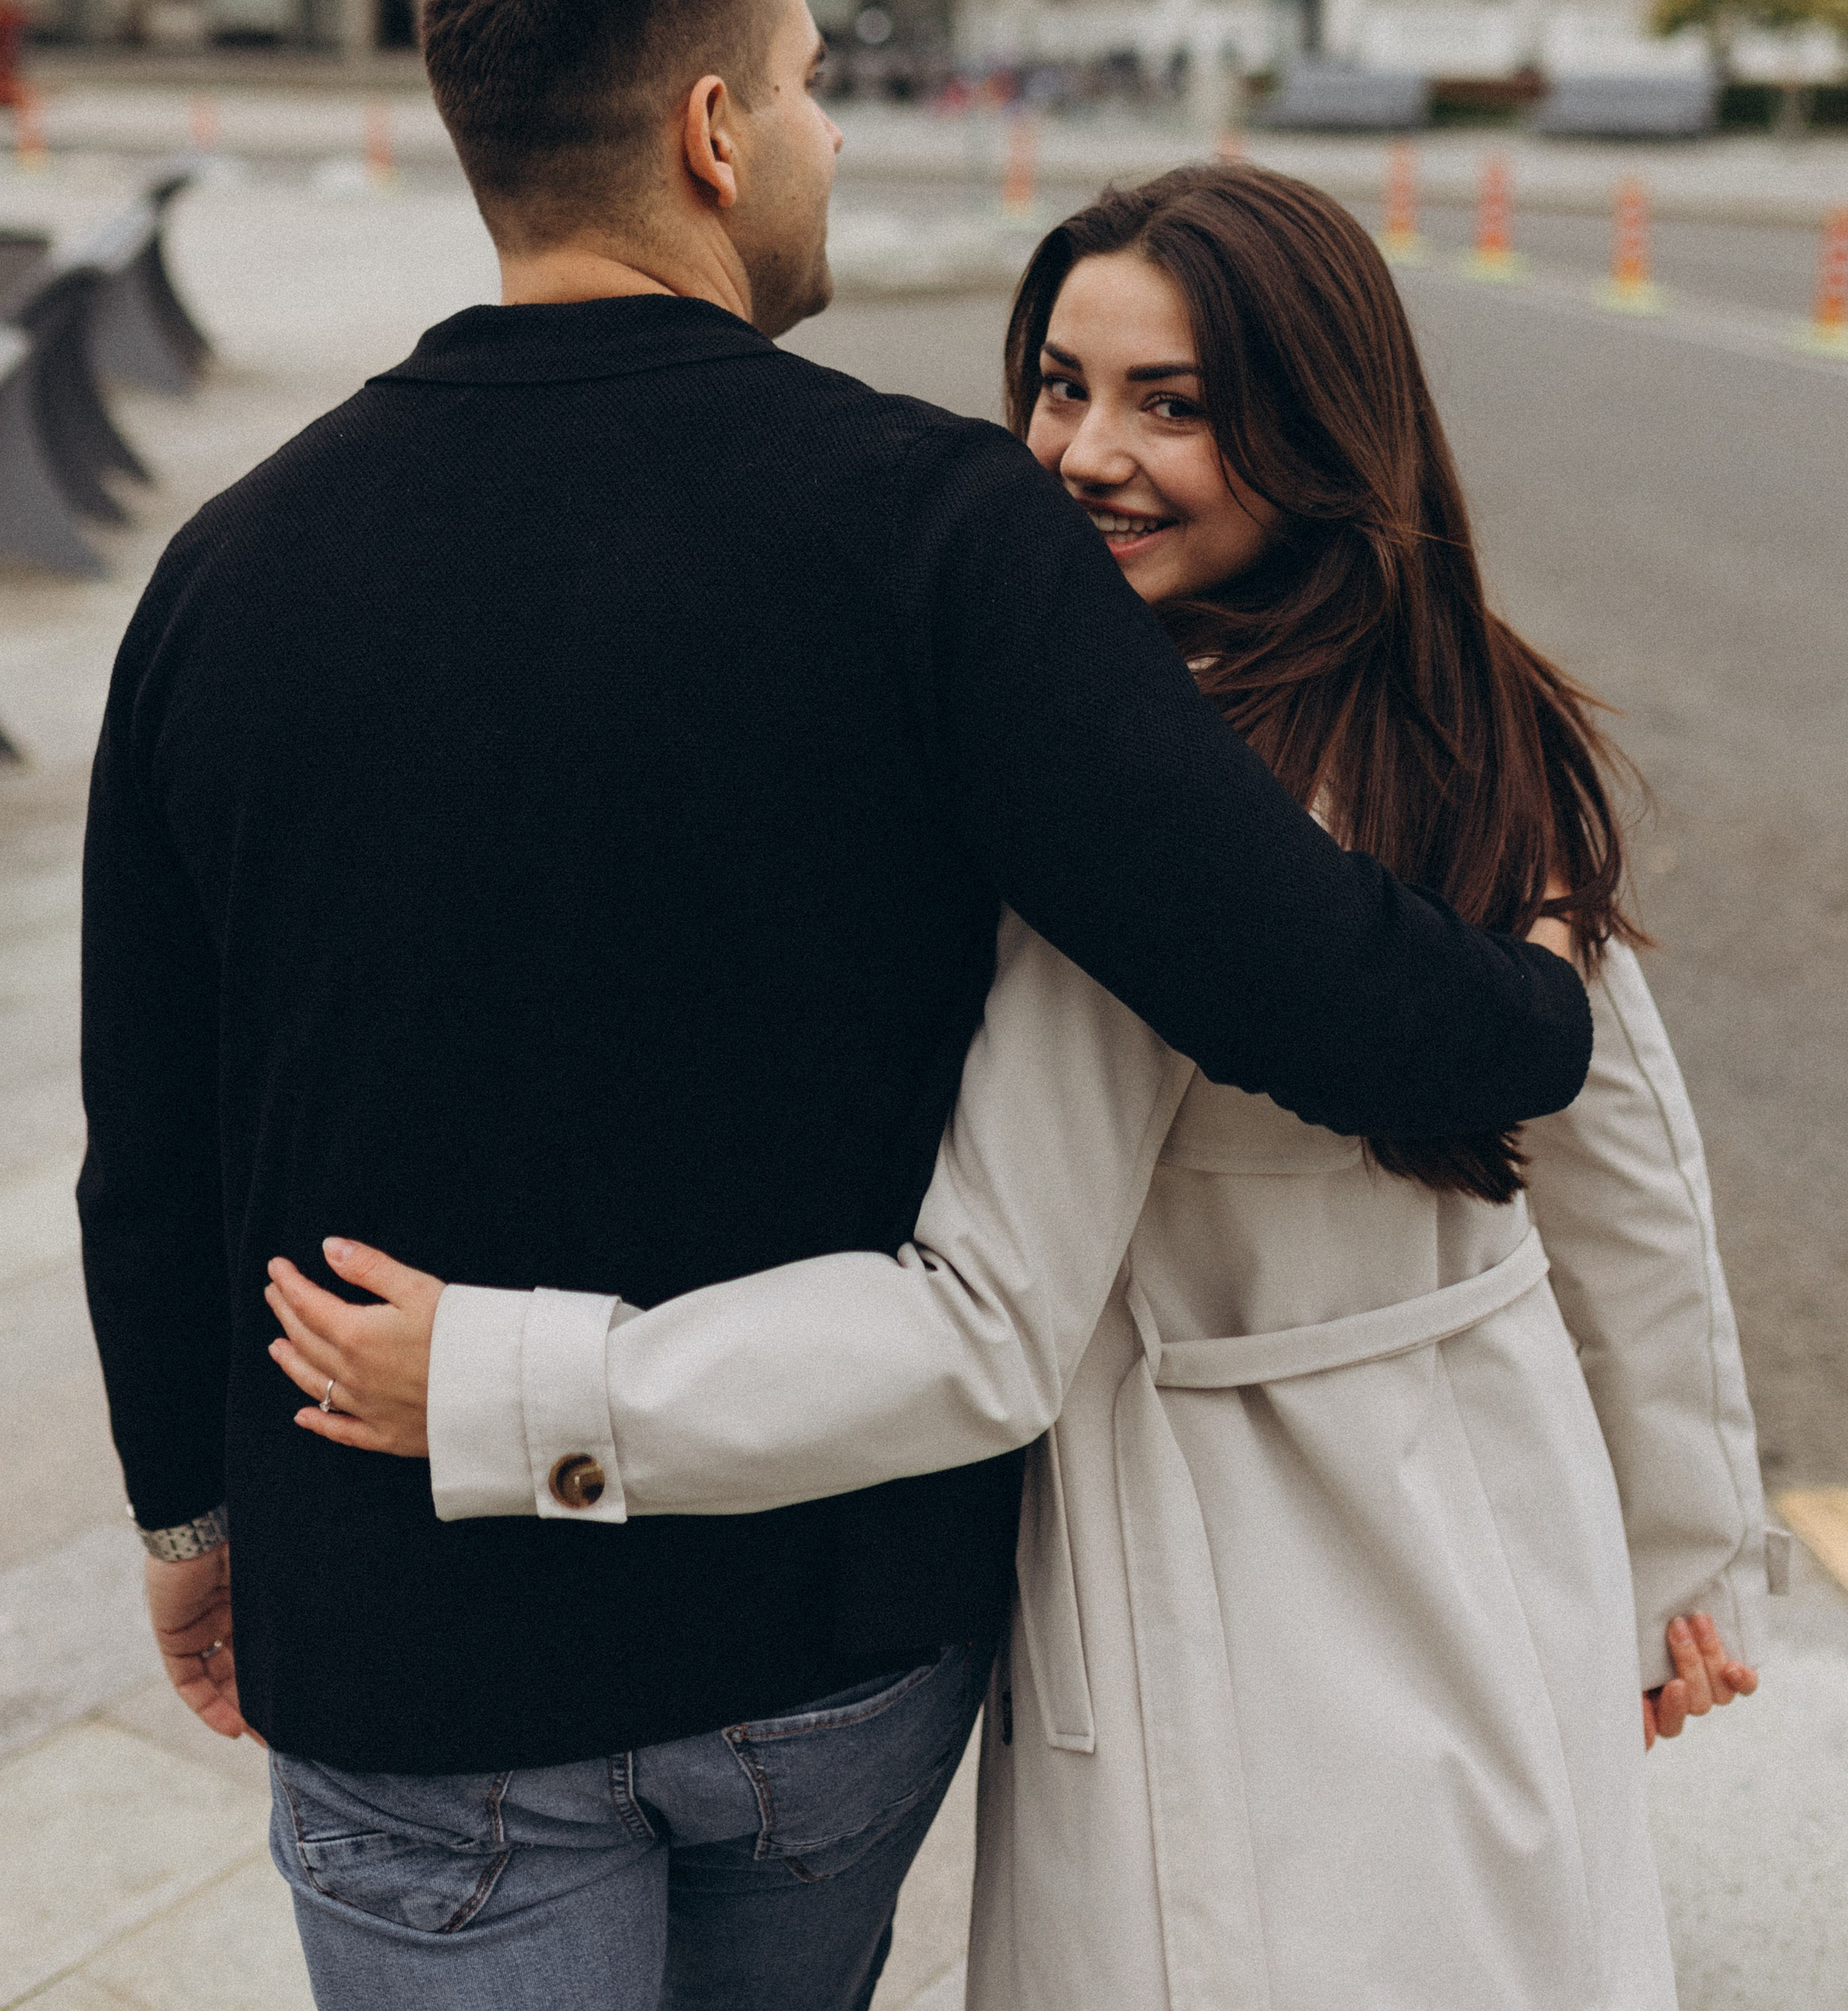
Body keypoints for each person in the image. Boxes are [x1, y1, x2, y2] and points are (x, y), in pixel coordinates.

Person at [80, 0, 1590, 2011]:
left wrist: (185, 1527)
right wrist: (1537, 1014)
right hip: (824, 1634)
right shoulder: (936, 534)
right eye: (806, 83)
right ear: (710, 131)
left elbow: (149, 1138)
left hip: (408, 1627)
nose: (831, 131)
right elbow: (1280, 962)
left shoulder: (227, 578)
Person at [269, 166, 1769, 2011]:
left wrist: (515, 1387)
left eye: (1173, 403)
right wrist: (1678, 1554)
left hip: (1255, 1596)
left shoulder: (1140, 802)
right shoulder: (1471, 702)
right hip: (1507, 1536)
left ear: (1314, 425)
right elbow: (1625, 1166)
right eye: (1059, 385)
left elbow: (984, 1325)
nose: (1081, 452)